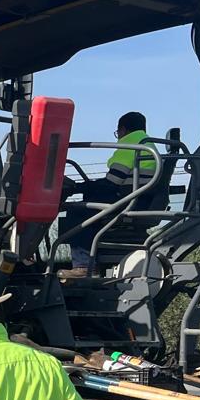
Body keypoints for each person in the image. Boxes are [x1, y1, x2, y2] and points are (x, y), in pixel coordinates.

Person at [64, 111, 158, 277]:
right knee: (89, 202)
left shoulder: (131, 146)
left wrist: (80, 188)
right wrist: (85, 187)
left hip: (127, 204)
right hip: (139, 201)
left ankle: (84, 265)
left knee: (77, 212)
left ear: (123, 130)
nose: (118, 137)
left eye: (118, 132)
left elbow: (112, 182)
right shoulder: (148, 145)